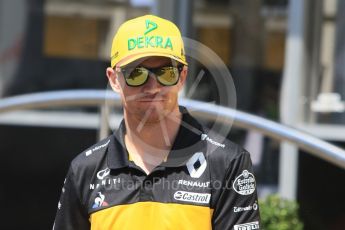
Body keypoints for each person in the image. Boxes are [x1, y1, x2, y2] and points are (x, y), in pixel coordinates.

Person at [53, 14, 260, 230]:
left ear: (182, 77)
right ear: (114, 79)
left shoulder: (227, 163)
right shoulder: (85, 169)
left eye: (166, 73)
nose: (152, 87)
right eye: (136, 74)